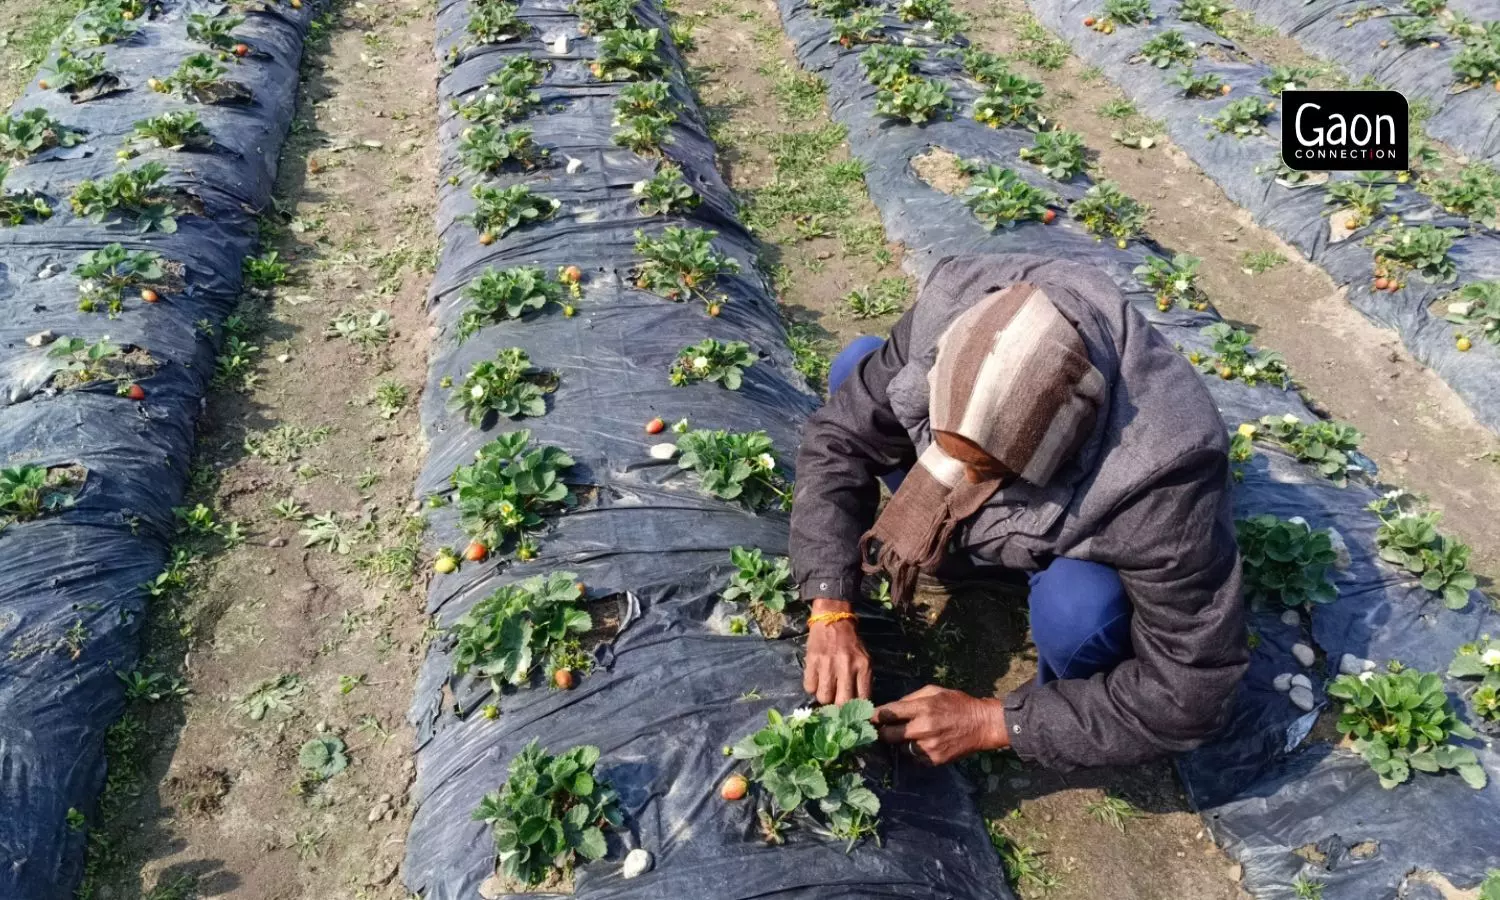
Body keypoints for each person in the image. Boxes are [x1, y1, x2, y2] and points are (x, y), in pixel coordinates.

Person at [790, 254, 1248, 771]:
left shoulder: (1165, 471)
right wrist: (831, 603)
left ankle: (1056, 690)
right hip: (1011, 477)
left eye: (983, 467)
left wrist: (994, 721)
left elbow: (1191, 691)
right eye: (945, 448)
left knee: (1079, 611)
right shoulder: (958, 299)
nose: (952, 484)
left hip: (1078, 541)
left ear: (1056, 447)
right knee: (858, 366)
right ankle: (960, 559)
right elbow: (838, 439)